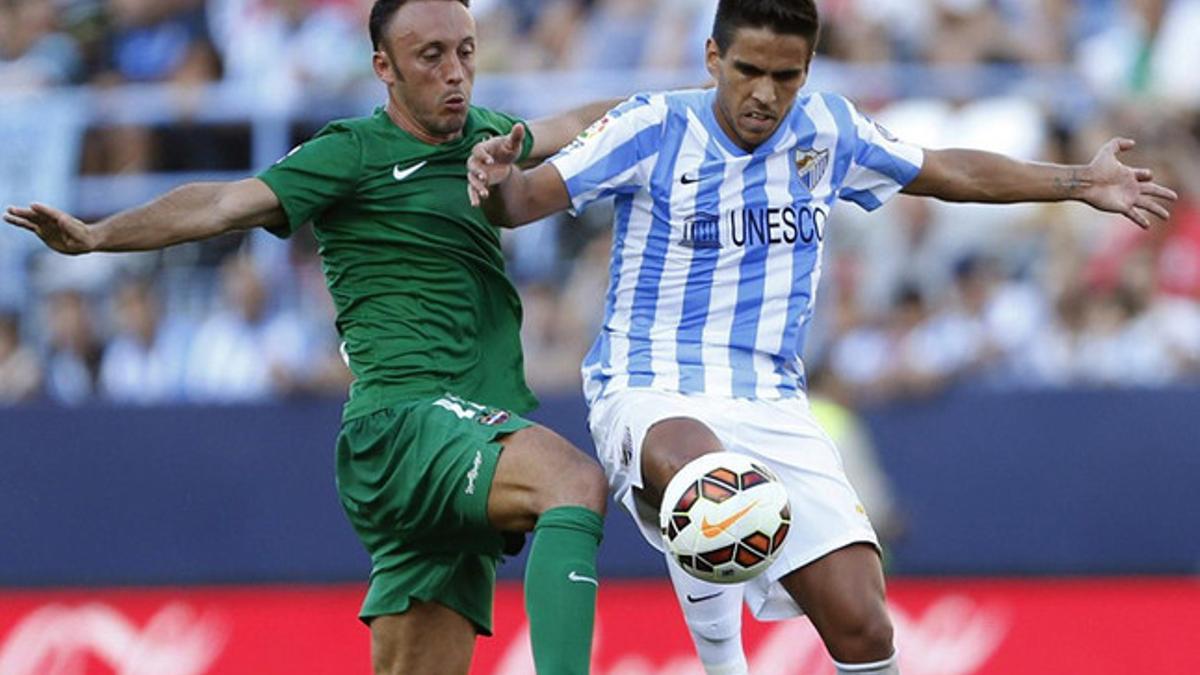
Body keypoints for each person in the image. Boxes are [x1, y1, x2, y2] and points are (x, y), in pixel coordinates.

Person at [464, 1, 1178, 673]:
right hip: (649, 385)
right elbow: (525, 200)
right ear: (713, 57)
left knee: (864, 621)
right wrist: (497, 183)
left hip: (773, 400)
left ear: (807, 70)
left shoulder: (828, 130)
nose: (765, 95)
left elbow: (946, 169)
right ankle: (723, 662)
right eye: (748, 71)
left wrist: (1077, 180)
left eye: (786, 76)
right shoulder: (652, 126)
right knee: (708, 479)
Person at [6, 1, 622, 673]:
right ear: (383, 67)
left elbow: (575, 122)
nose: (456, 73)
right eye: (432, 56)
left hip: (461, 440)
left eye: (466, 53)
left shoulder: (488, 139)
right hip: (405, 425)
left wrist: (694, 104)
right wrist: (98, 235)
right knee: (572, 482)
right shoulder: (350, 152)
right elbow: (220, 204)